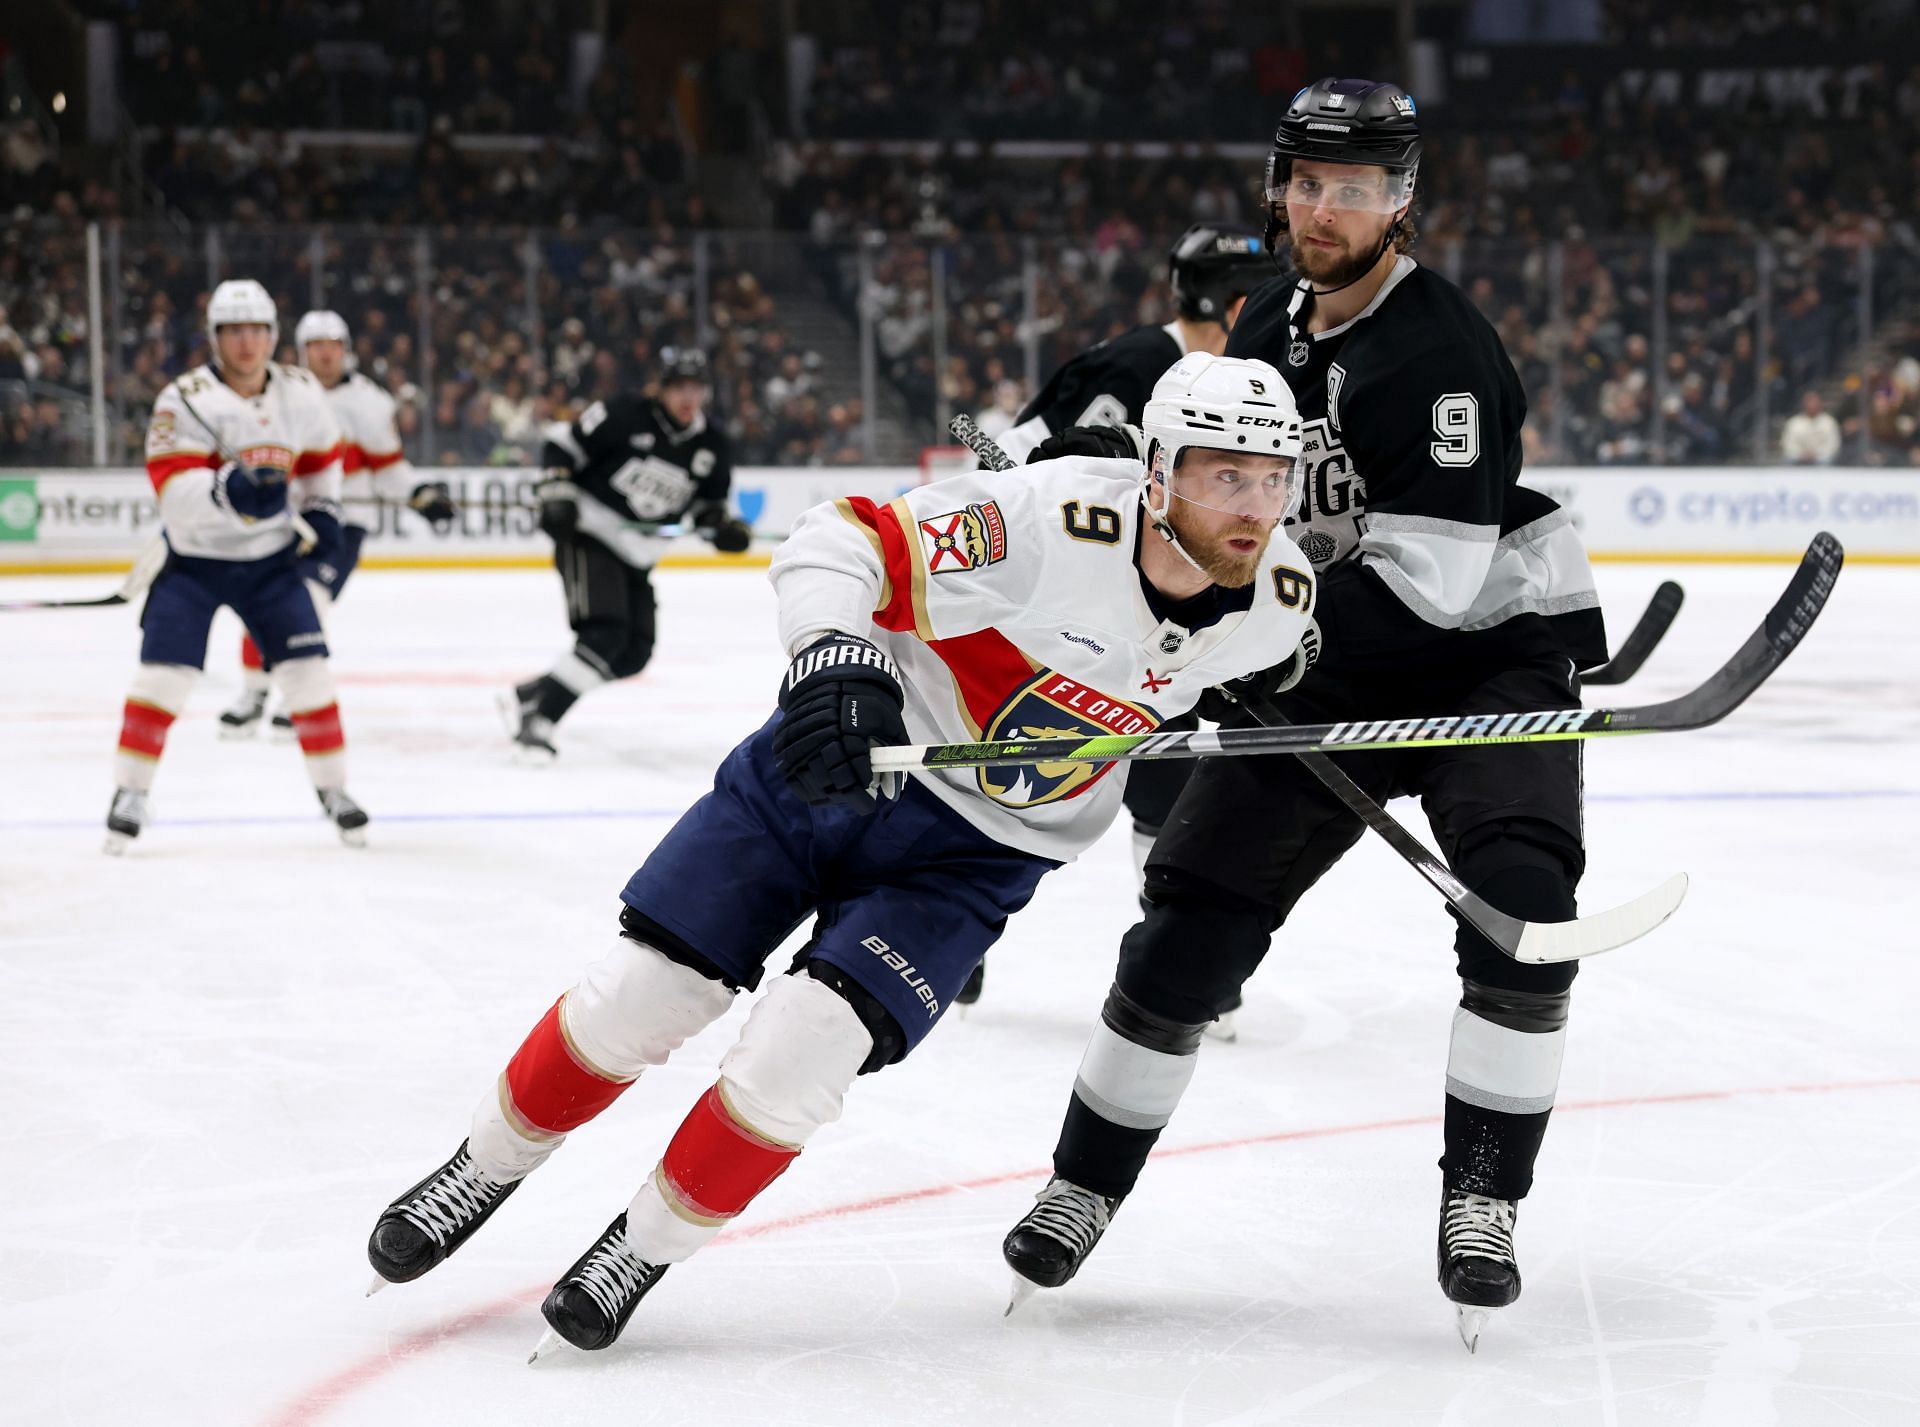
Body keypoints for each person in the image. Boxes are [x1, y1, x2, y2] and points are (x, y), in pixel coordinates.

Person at [365, 353, 1319, 1358]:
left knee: (804, 1054)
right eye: (1225, 474)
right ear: (1158, 473)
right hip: (835, 764)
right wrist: (832, 651)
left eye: (1272, 478)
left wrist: (1269, 665)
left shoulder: (1278, 604)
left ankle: (638, 1249)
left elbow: (1242, 651)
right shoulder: (1045, 518)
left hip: (976, 855)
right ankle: (485, 1163)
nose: (1254, 506)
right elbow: (843, 536)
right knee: (642, 995)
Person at [999, 78, 1607, 1351]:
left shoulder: (1441, 352)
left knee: (1522, 907)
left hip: (1483, 654)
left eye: (1359, 188)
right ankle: (1079, 1185)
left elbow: (1433, 588)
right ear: (1277, 188)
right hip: (1321, 657)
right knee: (1185, 928)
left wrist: (1253, 643)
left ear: (1401, 202)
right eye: (1310, 184)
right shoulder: (1264, 317)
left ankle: (1483, 1197)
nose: (1328, 209)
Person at [965, 224, 1274, 1028]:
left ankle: (1172, 959)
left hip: (1161, 618)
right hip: (1077, 612)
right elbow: (1011, 464)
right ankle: (950, 922)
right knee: (1022, 786)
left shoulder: (1236, 380)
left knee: (1167, 783)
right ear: (1236, 303)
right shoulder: (1137, 365)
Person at [106, 279, 370, 851]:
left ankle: (334, 789)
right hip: (194, 563)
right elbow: (171, 488)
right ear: (215, 337)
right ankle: (130, 792)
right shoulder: (185, 398)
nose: (246, 343)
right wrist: (228, 490)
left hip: (270, 563)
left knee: (308, 675)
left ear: (273, 336)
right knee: (164, 678)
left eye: (256, 331)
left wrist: (323, 510)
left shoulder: (300, 393)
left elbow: (324, 464)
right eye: (233, 331)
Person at [501, 347, 754, 760]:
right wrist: (557, 493)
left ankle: (541, 691)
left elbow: (706, 507)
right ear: (662, 389)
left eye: (695, 389)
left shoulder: (713, 444)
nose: (687, 398)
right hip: (590, 535)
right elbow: (560, 444)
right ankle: (540, 720)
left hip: (638, 556)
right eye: (678, 388)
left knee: (633, 652)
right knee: (605, 634)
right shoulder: (623, 414)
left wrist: (722, 530)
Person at [219, 309, 455, 737]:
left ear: (346, 351)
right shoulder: (279, 394)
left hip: (342, 525)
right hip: (286, 519)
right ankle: (254, 694)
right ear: (302, 351)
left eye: (334, 345)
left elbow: (388, 470)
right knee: (258, 601)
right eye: (317, 346)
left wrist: (418, 494)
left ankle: (297, 700)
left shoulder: (370, 402)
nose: (326, 354)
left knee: (306, 601)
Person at [1780, 389, 1842, 465]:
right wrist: (1801, 454)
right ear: (1803, 404)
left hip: (1821, 459)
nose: (1811, 405)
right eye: (1809, 402)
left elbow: (1833, 445)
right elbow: (1788, 444)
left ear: (1820, 404)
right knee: (1788, 460)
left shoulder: (1829, 422)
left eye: (1814, 402)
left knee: (1826, 461)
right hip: (1798, 458)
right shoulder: (1794, 422)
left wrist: (1816, 454)